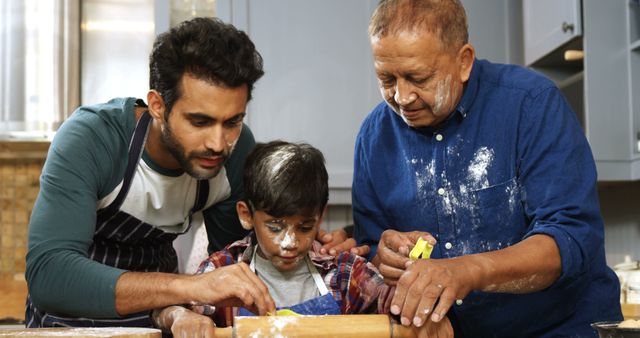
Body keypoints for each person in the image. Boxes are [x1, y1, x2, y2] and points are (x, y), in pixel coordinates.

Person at [25, 17, 359, 328]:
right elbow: (50, 275)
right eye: (199, 122)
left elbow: (236, 260)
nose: (218, 143)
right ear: (158, 105)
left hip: (164, 318)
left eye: (232, 121)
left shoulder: (237, 151)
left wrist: (314, 248)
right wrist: (192, 286)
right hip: (69, 319)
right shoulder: (94, 139)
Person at [351, 0, 622, 337]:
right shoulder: (373, 138)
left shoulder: (531, 104)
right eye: (386, 78)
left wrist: (466, 271)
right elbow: (369, 256)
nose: (402, 96)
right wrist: (382, 259)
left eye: (417, 77)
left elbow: (570, 238)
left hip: (560, 328)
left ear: (463, 62)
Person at [152, 141, 454, 338]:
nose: (290, 242)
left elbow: (398, 306)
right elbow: (166, 309)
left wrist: (423, 313)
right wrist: (178, 316)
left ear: (320, 218)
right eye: (274, 226)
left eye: (304, 227)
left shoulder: (345, 273)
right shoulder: (223, 269)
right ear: (246, 215)